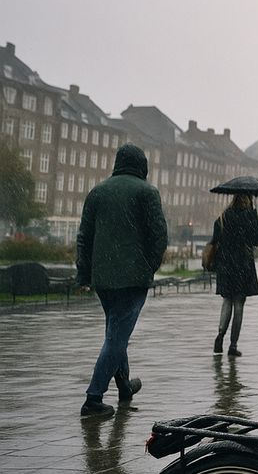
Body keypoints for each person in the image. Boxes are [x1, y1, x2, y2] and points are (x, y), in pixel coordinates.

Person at [75, 143, 169, 417]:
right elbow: (159, 236)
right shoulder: (147, 192)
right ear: (142, 166)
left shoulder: (98, 192)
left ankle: (125, 386)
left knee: (116, 332)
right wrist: (148, 267)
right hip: (133, 280)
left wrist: (84, 273)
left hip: (104, 280)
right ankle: (93, 399)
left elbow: (84, 237)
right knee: (116, 339)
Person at [211, 194, 258, 357]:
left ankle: (220, 335)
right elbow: (257, 240)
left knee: (227, 300)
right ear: (248, 200)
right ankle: (233, 346)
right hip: (242, 265)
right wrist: (254, 215)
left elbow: (215, 240)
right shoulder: (249, 217)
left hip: (226, 265)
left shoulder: (223, 217)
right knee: (238, 304)